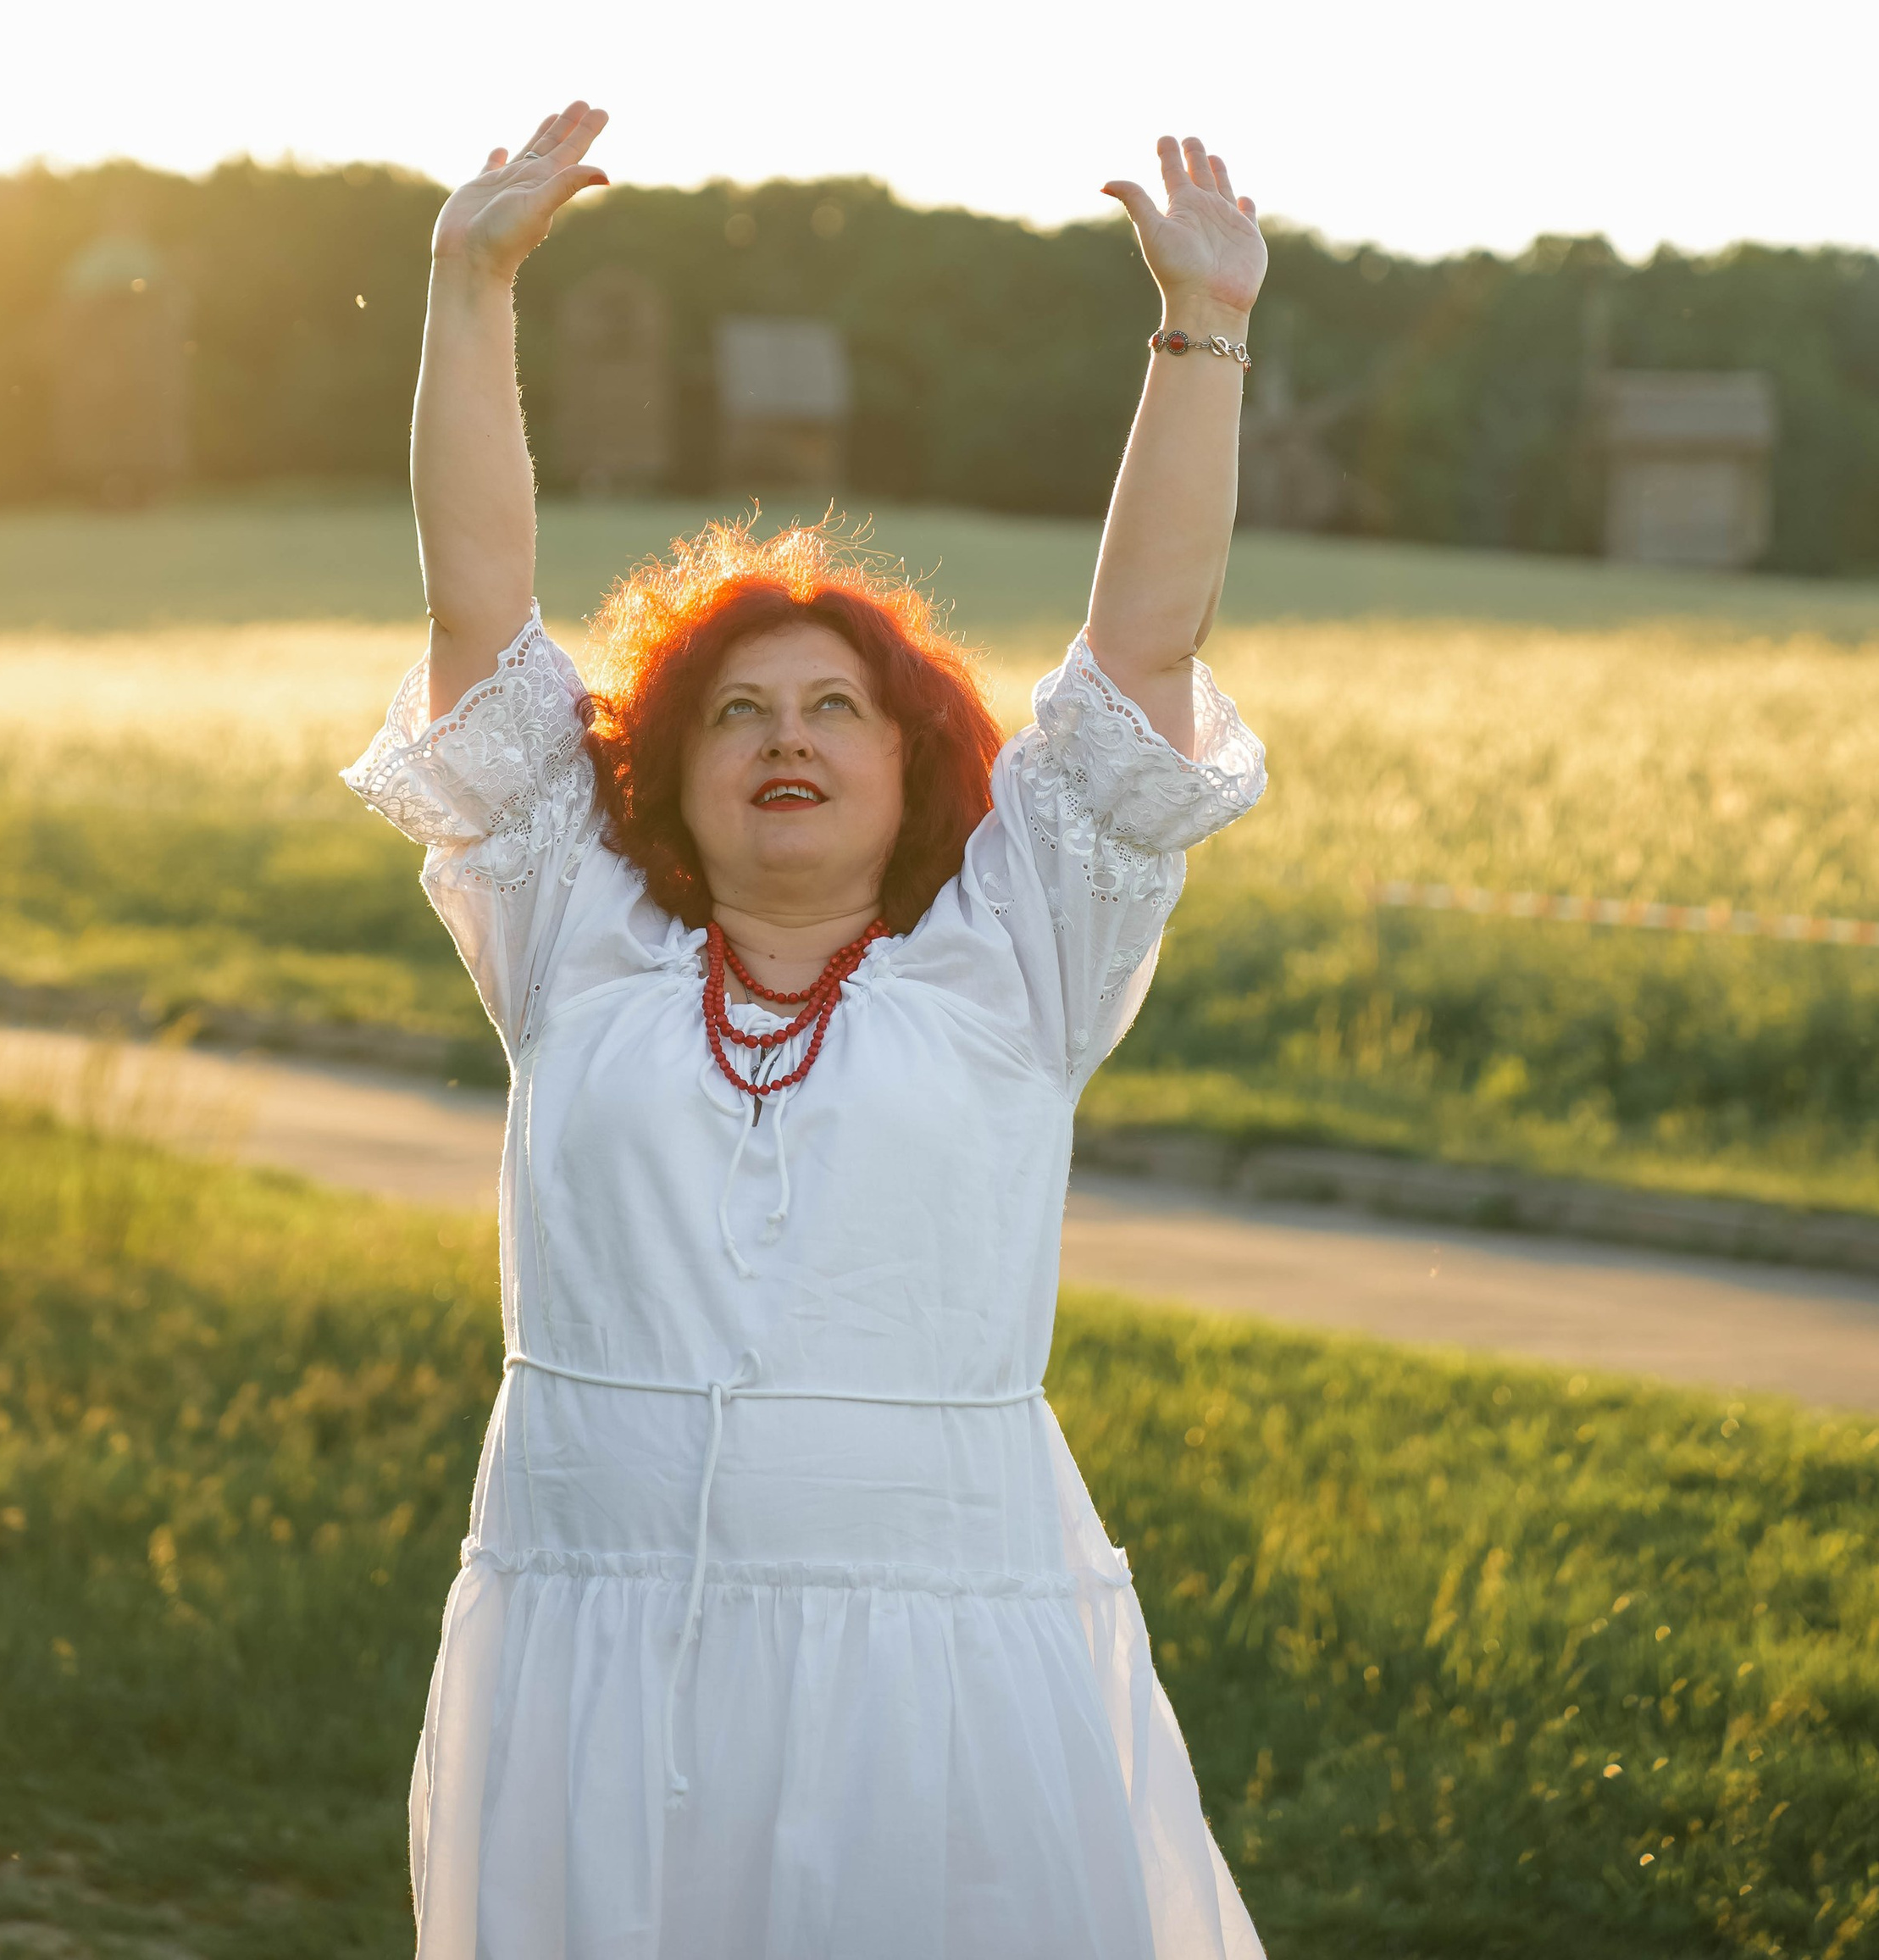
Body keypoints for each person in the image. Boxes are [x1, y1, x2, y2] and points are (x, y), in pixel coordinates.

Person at [343, 101, 1271, 1960]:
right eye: (736, 710)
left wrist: (1200, 331)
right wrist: (465, 285)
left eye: (836, 707)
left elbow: (1142, 653)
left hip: (933, 1648)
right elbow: (475, 613)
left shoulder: (1018, 953)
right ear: (659, 778)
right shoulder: (571, 940)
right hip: (588, 1633)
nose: (786, 737)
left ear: (912, 760)